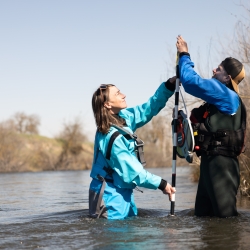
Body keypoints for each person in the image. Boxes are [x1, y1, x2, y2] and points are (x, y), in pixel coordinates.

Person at [176, 35, 247, 217]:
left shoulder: (226, 94)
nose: (214, 70)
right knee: (204, 217)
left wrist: (184, 55)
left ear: (227, 78)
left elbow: (191, 82)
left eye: (219, 69)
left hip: (222, 166)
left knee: (226, 221)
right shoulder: (220, 100)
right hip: (210, 164)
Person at [89, 79, 176, 219]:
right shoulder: (111, 137)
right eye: (117, 94)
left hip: (123, 190)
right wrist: (162, 184)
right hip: (108, 195)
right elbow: (133, 173)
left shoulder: (123, 118)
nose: (124, 95)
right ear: (107, 104)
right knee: (117, 238)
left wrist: (169, 85)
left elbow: (149, 108)